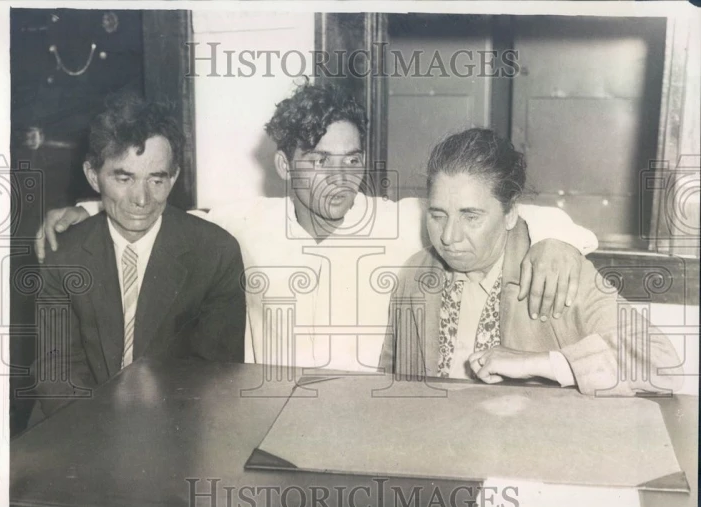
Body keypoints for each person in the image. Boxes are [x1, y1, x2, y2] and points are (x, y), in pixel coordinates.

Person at [36, 82, 598, 375]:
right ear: (284, 166)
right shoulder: (242, 222)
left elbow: (519, 217)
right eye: (319, 160)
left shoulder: (410, 222)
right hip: (263, 424)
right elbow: (154, 213)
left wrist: (558, 245)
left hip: (371, 420)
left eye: (351, 160)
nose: (340, 178)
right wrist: (82, 210)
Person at [379, 129, 681, 396]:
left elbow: (662, 363)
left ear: (510, 213)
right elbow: (391, 381)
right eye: (437, 215)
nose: (448, 236)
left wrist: (540, 363)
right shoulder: (416, 273)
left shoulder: (556, 271)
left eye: (471, 216)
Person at [31, 93, 246, 417]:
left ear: (173, 177)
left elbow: (216, 375)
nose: (141, 198)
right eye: (124, 178)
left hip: (176, 424)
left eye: (156, 179)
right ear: (93, 176)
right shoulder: (64, 255)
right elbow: (57, 371)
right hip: (76, 424)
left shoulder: (215, 253)